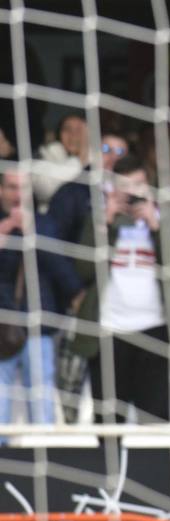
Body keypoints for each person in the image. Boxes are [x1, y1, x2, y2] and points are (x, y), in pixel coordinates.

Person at [76, 155, 170, 424]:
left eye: (138, 185)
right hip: (109, 332)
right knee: (109, 422)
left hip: (156, 331)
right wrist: (107, 222)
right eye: (124, 187)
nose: (132, 193)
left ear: (149, 187)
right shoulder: (100, 221)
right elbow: (83, 270)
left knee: (157, 421)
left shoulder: (166, 220)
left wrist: (155, 225)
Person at [0, 170, 84, 427]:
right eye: (12, 187)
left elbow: (61, 267)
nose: (17, 194)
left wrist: (32, 235)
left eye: (23, 188)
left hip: (39, 325)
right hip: (2, 323)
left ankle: (45, 454)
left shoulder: (45, 223)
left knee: (41, 399)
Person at [32, 113, 88, 208]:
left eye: (79, 130)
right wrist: (80, 160)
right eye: (67, 129)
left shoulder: (98, 158)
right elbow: (44, 189)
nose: (73, 135)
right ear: (59, 134)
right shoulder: (46, 154)